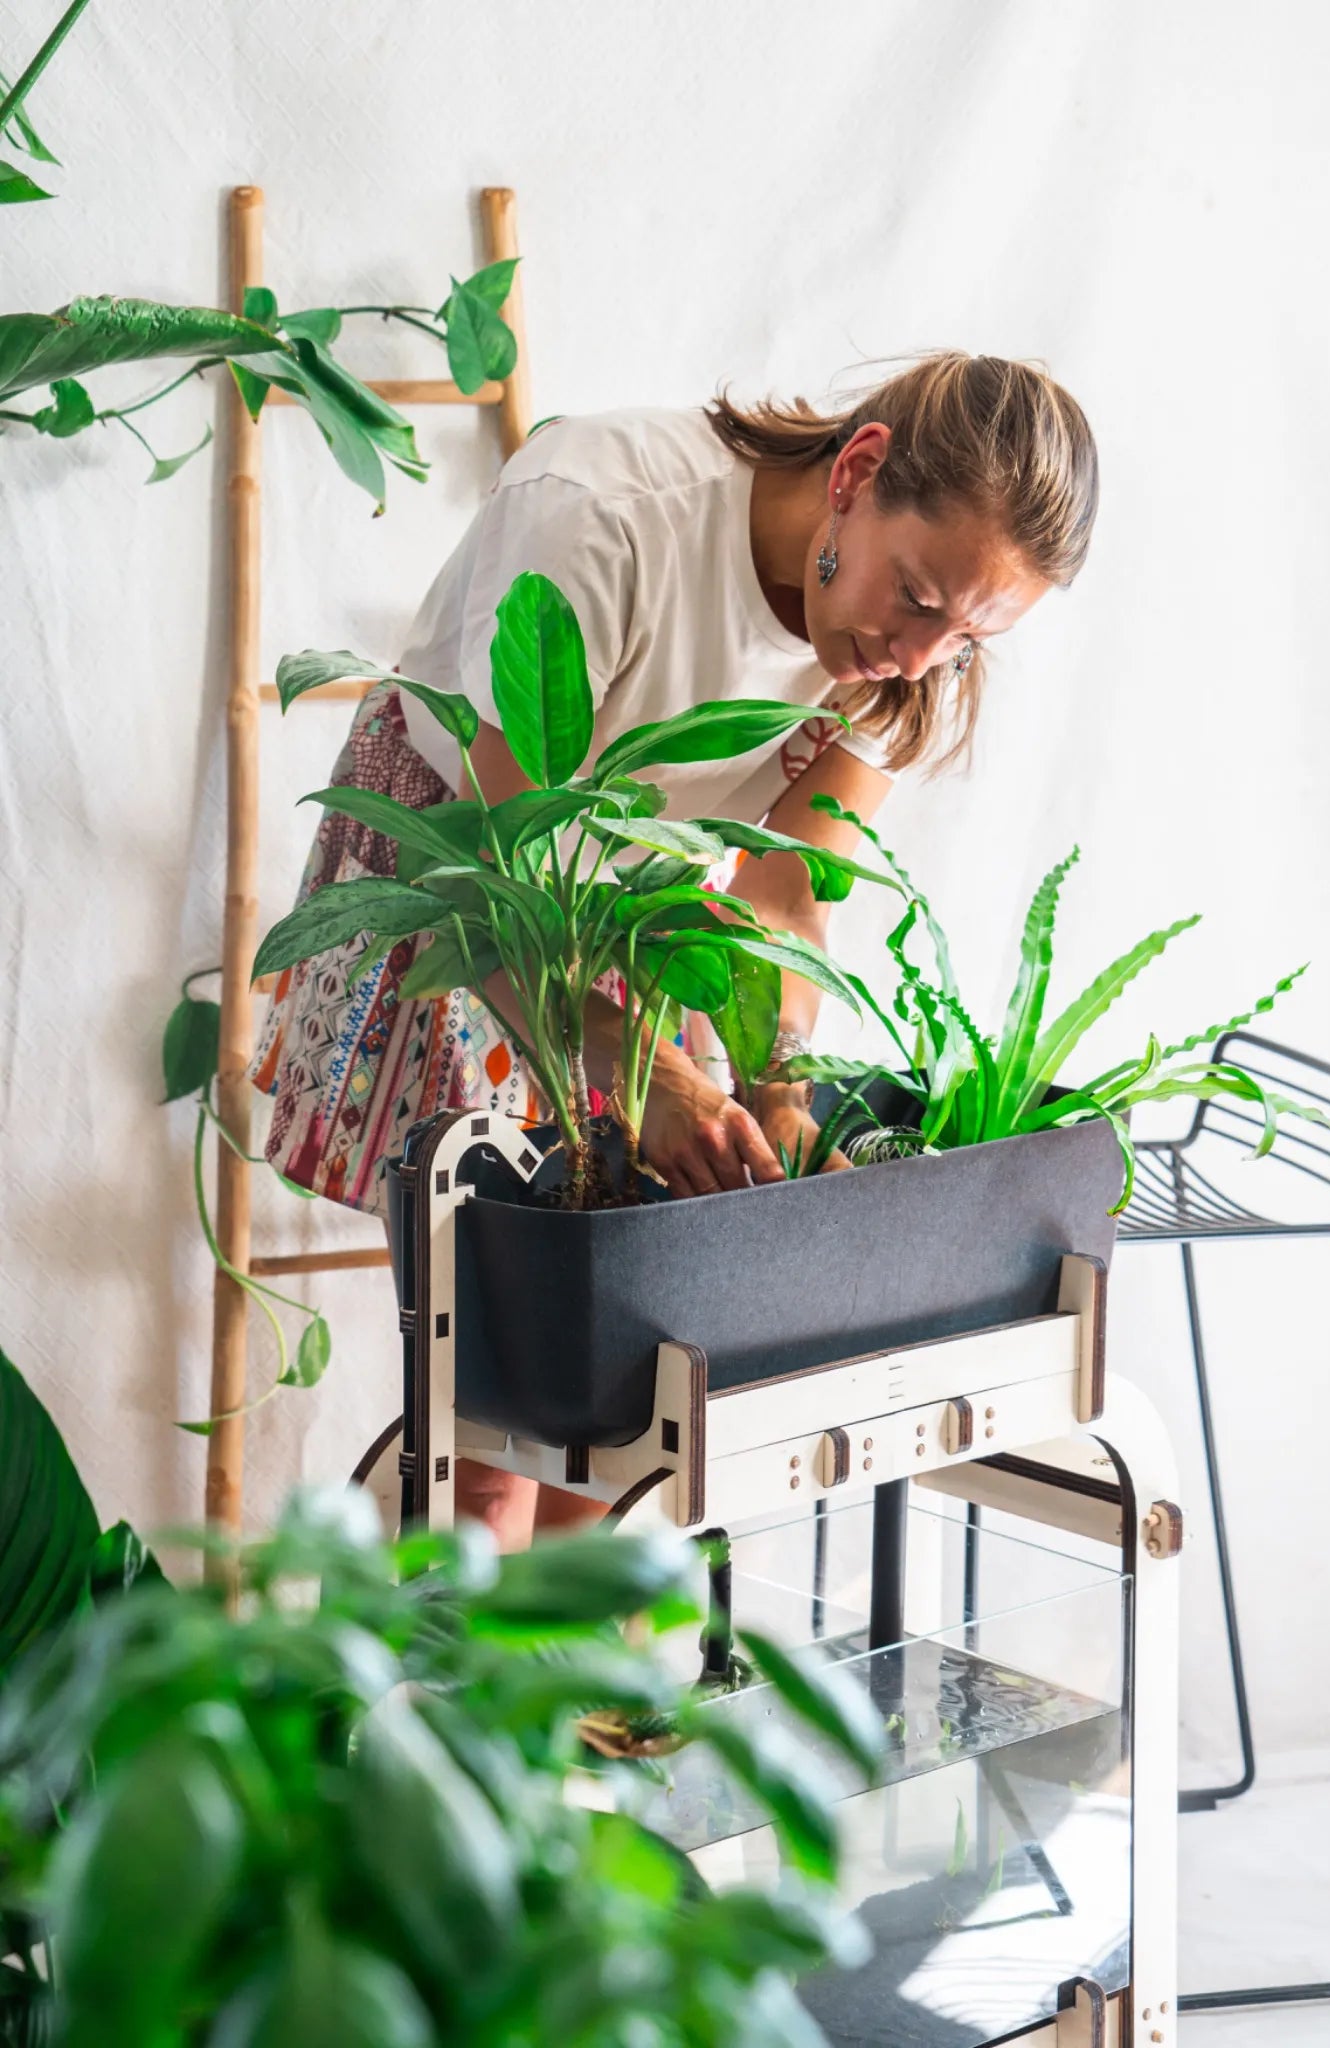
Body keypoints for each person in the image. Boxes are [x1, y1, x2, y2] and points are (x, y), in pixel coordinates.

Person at [250, 350, 1098, 1548]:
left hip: (638, 927)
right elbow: (502, 877)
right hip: (463, 895)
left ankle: (585, 1715)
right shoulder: (601, 515)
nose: (920, 654)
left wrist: (779, 1094)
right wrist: (648, 1076)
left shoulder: (903, 666)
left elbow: (784, 900)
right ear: (858, 471)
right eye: (915, 597)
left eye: (967, 635)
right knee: (496, 1420)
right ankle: (462, 1722)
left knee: (635, 1422)